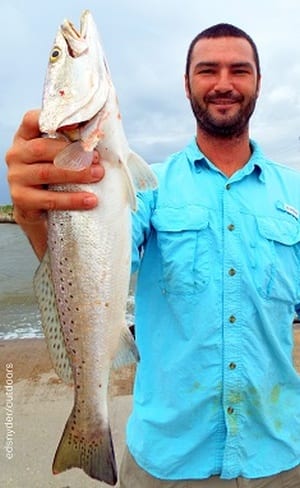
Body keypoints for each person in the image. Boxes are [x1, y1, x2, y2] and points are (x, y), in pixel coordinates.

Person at [5, 23, 300, 488]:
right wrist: (32, 214)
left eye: (239, 70)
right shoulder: (147, 187)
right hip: (167, 461)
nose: (223, 82)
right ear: (187, 85)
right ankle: (89, 420)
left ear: (258, 82)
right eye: (207, 70)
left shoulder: (295, 194)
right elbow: (86, 258)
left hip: (281, 456)